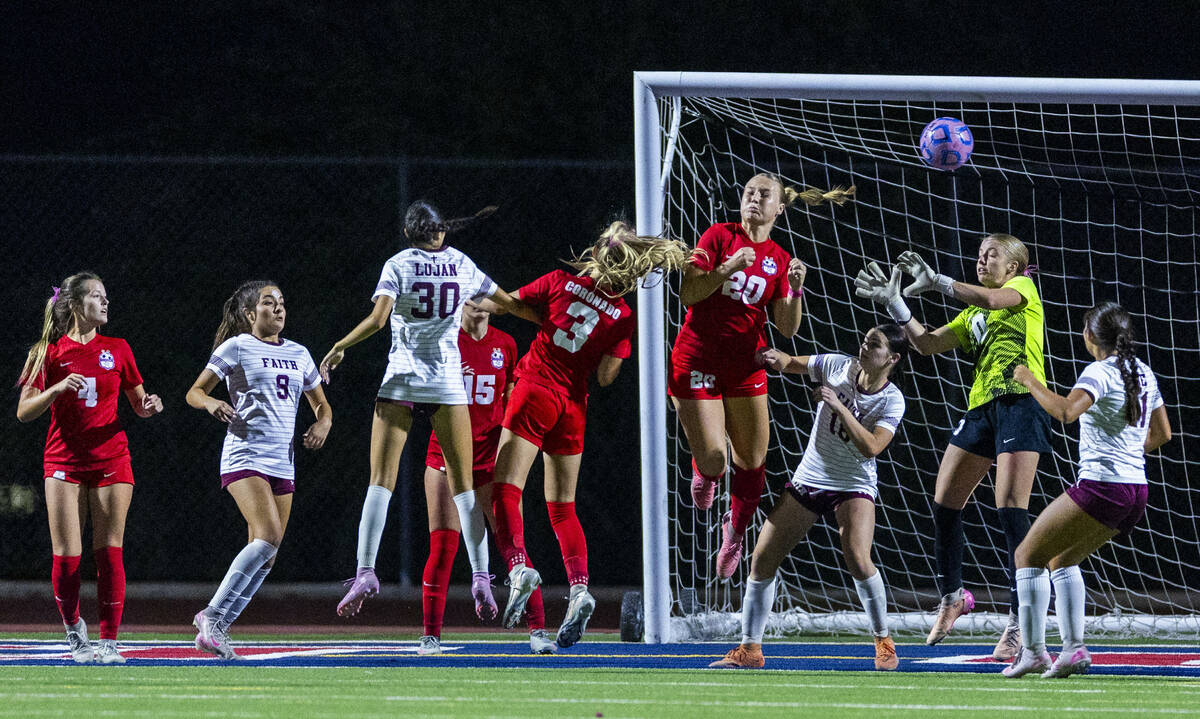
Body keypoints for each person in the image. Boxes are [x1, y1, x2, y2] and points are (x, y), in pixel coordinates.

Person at [481, 221, 693, 648]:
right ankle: (579, 588)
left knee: (505, 488)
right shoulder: (624, 316)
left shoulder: (560, 282)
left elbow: (507, 304)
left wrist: (480, 288)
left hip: (535, 388)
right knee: (563, 507)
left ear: (598, 251)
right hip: (572, 407)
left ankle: (519, 567)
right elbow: (608, 376)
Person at [321, 200, 537, 620]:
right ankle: (480, 577)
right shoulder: (460, 263)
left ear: (408, 233)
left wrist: (339, 346)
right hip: (445, 383)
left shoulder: (398, 264)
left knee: (380, 481)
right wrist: (545, 319)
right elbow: (508, 302)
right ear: (441, 231)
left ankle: (365, 570)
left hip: (401, 379)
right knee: (464, 486)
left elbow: (378, 320)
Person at [854, 233, 1051, 659]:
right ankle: (953, 596)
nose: (981, 260)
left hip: (1021, 403)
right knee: (945, 500)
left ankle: (1020, 620)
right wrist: (896, 304)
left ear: (1013, 267)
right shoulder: (973, 314)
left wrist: (938, 281)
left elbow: (993, 301)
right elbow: (926, 344)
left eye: (991, 255)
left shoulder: (1021, 291)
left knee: (1011, 508)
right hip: (982, 408)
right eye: (979, 255)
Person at [670, 173, 854, 579]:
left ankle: (734, 533)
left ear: (779, 208)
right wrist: (727, 268)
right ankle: (705, 472)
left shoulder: (781, 258)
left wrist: (794, 290)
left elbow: (786, 328)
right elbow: (688, 294)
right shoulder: (719, 236)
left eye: (763, 194)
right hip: (697, 360)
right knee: (717, 458)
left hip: (745, 365)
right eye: (748, 191)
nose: (753, 198)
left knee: (753, 460)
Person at [709, 326, 908, 671]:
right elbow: (793, 363)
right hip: (810, 479)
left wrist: (838, 405)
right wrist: (776, 358)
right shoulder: (836, 365)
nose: (864, 346)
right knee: (762, 560)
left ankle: (884, 641)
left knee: (859, 559)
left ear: (892, 359)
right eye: (865, 339)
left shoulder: (891, 399)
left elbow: (872, 447)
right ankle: (750, 651)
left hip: (854, 484)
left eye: (874, 344)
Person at [1002, 302, 1171, 678]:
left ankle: (1032, 652)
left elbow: (1066, 412)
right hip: (1136, 491)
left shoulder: (1099, 370)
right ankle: (1074, 650)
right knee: (1062, 560)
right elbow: (1162, 434)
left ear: (1089, 336)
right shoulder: (1143, 371)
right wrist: (1125, 449)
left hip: (1103, 487)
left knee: (1027, 554)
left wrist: (1030, 381)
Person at [17, 273, 164, 664]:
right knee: (67, 557)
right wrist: (56, 388)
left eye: (106, 297)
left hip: (112, 459)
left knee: (109, 552)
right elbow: (24, 411)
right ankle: (74, 634)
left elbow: (137, 402)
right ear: (76, 305)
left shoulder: (118, 348)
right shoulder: (46, 353)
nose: (105, 303)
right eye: (97, 296)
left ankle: (109, 643)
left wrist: (148, 407)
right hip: (63, 461)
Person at [185, 281, 332, 659]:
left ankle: (218, 627)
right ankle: (211, 615)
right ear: (251, 314)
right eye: (270, 304)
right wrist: (212, 403)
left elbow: (322, 406)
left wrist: (323, 424)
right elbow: (194, 392)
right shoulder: (237, 346)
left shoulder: (299, 353)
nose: (280, 309)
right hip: (244, 455)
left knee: (269, 552)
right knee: (267, 534)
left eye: (282, 302)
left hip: (283, 462)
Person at [417, 300, 556, 656]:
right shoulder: (444, 341)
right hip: (444, 457)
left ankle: (539, 631)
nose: (480, 303)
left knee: (513, 543)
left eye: (485, 296)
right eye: (471, 297)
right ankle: (430, 636)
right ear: (457, 303)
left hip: (490, 460)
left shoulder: (505, 344)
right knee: (443, 548)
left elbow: (512, 395)